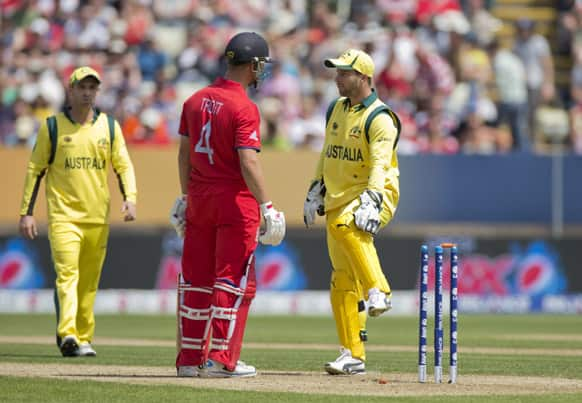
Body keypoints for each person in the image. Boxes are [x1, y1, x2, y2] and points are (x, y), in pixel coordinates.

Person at [170, 32, 286, 378]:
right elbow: (248, 162)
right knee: (232, 282)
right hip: (235, 202)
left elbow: (183, 154)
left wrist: (185, 196)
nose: (261, 71)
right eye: (261, 65)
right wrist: (267, 206)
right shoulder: (244, 107)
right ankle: (222, 359)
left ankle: (190, 361)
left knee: (196, 280)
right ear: (252, 65)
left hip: (200, 200)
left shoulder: (193, 100)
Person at [18, 66, 137, 357]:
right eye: (81, 87)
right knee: (67, 275)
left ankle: (83, 337)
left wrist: (130, 198)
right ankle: (68, 333)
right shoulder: (53, 126)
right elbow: (36, 170)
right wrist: (27, 212)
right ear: (70, 91)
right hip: (63, 216)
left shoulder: (109, 126)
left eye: (92, 87)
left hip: (97, 217)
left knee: (89, 282)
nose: (87, 92)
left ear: (97, 91)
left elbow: (123, 165)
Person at [304, 49, 401, 375]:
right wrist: (315, 186)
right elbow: (327, 153)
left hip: (374, 194)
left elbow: (379, 166)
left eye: (344, 73)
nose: (338, 78)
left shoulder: (380, 118)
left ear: (364, 77)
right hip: (337, 196)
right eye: (337, 72)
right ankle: (352, 355)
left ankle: (379, 290)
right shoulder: (336, 109)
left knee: (348, 225)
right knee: (341, 279)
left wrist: (373, 199)